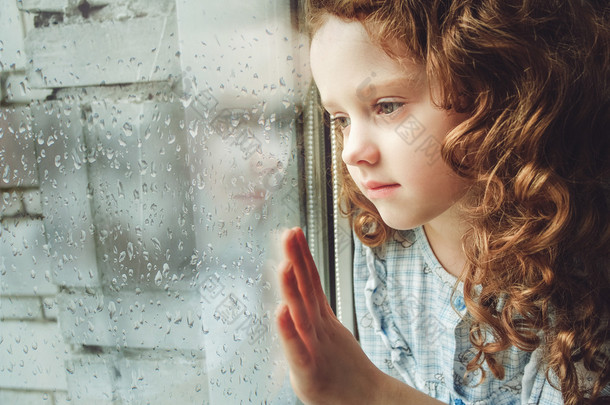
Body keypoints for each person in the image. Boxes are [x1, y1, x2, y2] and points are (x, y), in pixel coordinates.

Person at [275, 0, 610, 404]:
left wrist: (371, 393)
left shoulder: (573, 267)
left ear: (493, 94)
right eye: (342, 119)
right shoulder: (382, 238)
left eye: (386, 106)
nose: (351, 152)